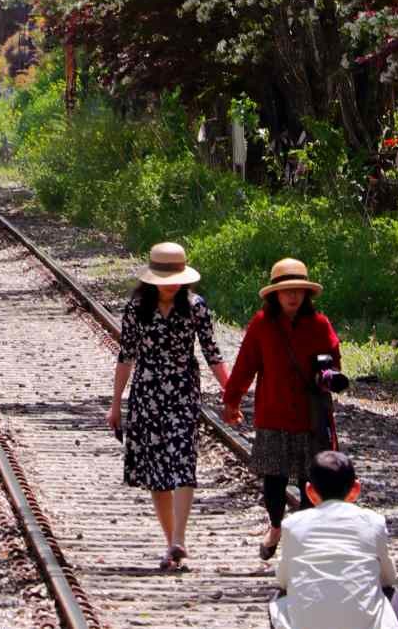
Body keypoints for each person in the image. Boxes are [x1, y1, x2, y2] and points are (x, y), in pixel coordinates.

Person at [107, 240, 231, 572]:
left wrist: (231, 392)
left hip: (183, 393)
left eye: (175, 279)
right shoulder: (137, 308)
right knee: (157, 475)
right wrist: (115, 404)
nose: (170, 286)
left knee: (183, 461)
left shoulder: (196, 307)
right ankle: (170, 543)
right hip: (146, 395)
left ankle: (179, 539)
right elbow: (126, 356)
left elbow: (212, 353)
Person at [221, 257, 344, 561]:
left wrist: (327, 376)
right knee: (273, 479)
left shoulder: (319, 325)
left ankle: (300, 542)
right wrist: (232, 400)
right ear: (275, 294)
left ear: (307, 294)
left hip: (308, 418)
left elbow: (334, 362)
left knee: (308, 482)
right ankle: (275, 527)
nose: (293, 296)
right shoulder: (262, 325)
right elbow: (245, 365)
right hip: (273, 414)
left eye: (298, 291)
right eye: (287, 291)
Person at [269, 449, 398, 629]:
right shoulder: (373, 522)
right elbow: (388, 578)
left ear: (310, 491)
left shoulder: (293, 524)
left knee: (277, 600)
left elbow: (283, 580)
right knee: (397, 598)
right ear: (356, 489)